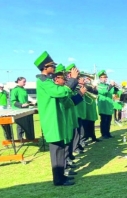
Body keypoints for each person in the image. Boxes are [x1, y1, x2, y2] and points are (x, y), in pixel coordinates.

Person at [34, 51, 79, 186]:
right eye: (52, 66)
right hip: (51, 119)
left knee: (60, 148)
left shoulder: (47, 81)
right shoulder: (43, 81)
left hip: (57, 119)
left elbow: (63, 98)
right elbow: (58, 92)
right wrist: (72, 80)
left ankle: (62, 177)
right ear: (45, 67)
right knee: (56, 151)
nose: (54, 68)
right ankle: (58, 180)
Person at [97, 70, 118, 139]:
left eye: (106, 77)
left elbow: (114, 92)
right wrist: (111, 86)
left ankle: (108, 133)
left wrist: (115, 86)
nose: (105, 79)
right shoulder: (99, 86)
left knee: (108, 120)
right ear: (100, 78)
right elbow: (104, 92)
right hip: (103, 106)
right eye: (104, 77)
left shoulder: (107, 85)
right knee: (104, 121)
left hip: (109, 106)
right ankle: (103, 134)